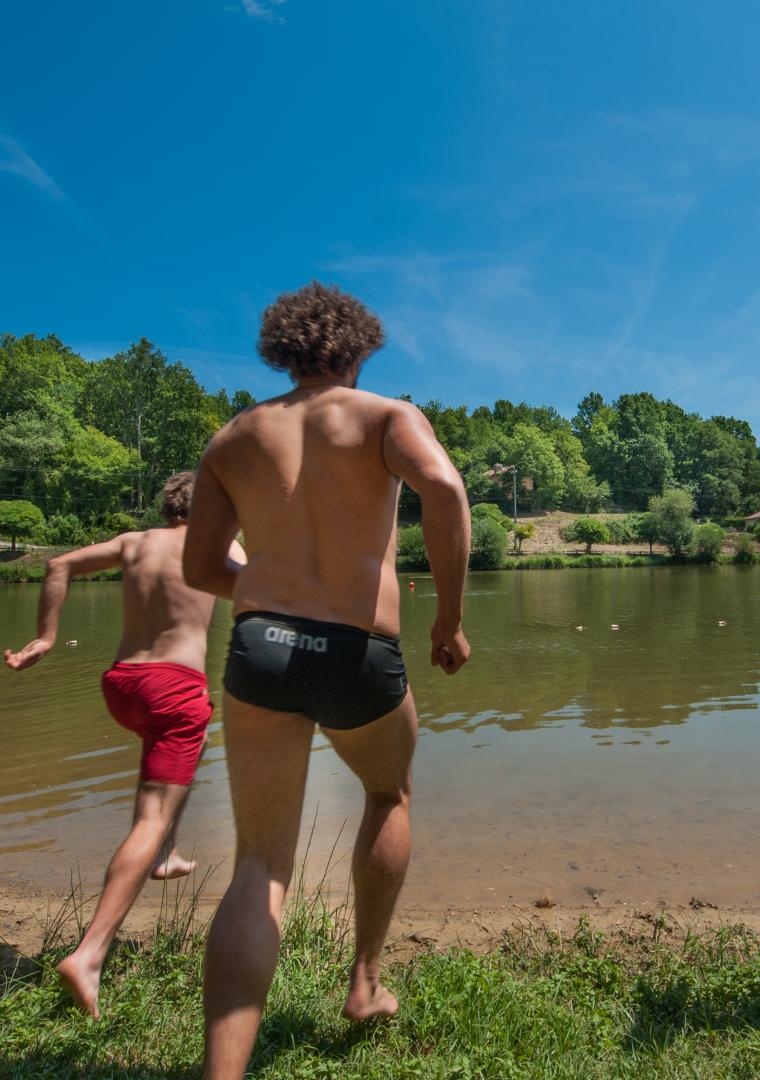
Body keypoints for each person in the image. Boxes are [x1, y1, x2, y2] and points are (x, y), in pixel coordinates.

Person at [182, 282, 471, 1080]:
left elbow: (202, 565)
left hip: (260, 647)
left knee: (259, 864)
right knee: (389, 795)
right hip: (359, 652)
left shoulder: (233, 436)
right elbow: (444, 490)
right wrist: (448, 619)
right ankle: (366, 982)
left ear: (281, 349)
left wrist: (279, 604)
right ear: (359, 348)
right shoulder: (386, 417)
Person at [3, 471, 245, 1019]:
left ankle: (166, 852)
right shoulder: (217, 543)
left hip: (122, 683)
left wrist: (45, 636)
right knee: (154, 811)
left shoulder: (134, 543)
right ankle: (89, 955)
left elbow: (57, 563)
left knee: (167, 769)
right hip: (176, 687)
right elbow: (268, 587)